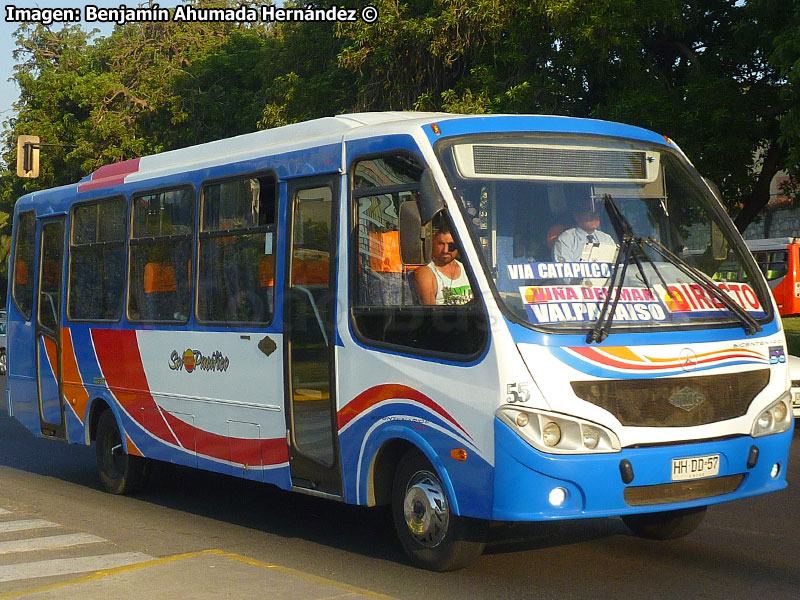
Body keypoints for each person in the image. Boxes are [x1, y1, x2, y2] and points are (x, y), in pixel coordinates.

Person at [414, 224, 473, 305]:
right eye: (441, 244)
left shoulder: (468, 270)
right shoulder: (426, 273)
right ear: (433, 243)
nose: (445, 250)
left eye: (450, 245)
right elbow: (430, 312)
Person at [553, 198, 615, 263]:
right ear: (576, 216)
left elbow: (614, 265)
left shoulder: (606, 238)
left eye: (597, 212)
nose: (595, 216)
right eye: (589, 212)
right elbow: (564, 269)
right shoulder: (566, 240)